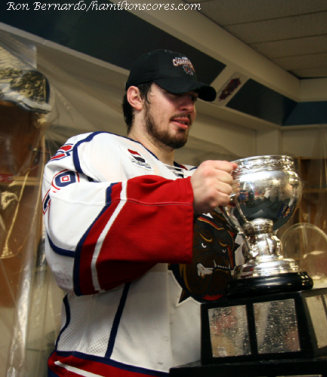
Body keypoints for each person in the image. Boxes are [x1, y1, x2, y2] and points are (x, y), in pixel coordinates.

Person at [42, 49, 238, 376]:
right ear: (136, 97)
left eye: (192, 97)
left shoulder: (200, 177)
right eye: (174, 93)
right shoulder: (95, 150)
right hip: (101, 370)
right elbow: (67, 245)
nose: (187, 105)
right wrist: (185, 196)